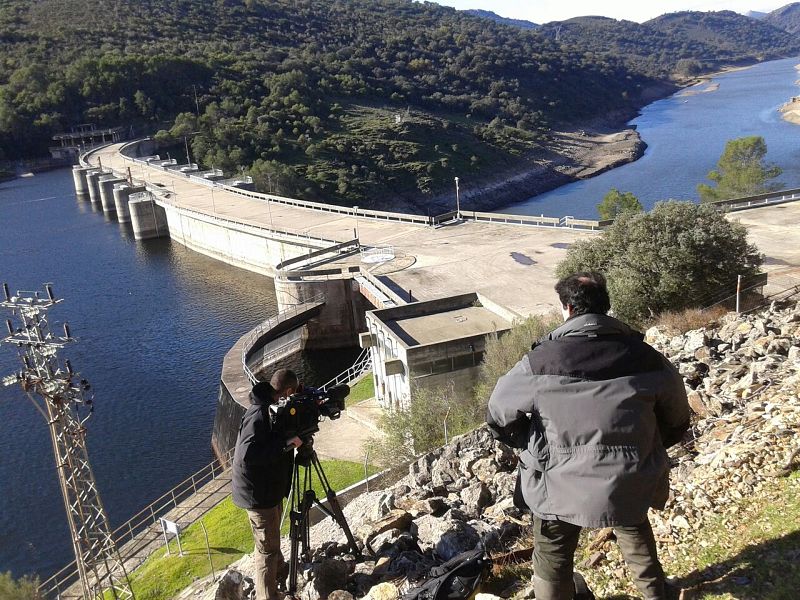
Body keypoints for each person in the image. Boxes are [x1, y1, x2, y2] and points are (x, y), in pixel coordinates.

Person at [486, 272, 690, 600]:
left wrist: (528, 442)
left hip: (557, 486)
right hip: (628, 479)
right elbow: (678, 418)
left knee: (552, 555)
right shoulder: (646, 357)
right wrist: (641, 447)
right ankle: (657, 594)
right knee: (633, 523)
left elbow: (497, 416)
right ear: (606, 306)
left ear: (567, 308)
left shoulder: (539, 362)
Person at [232, 369, 303, 600]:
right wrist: (285, 445)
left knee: (270, 540)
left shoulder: (264, 407)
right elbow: (247, 455)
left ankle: (279, 569)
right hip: (257, 495)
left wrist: (283, 439)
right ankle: (267, 596)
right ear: (288, 391)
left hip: (265, 490)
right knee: (266, 550)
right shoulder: (259, 413)